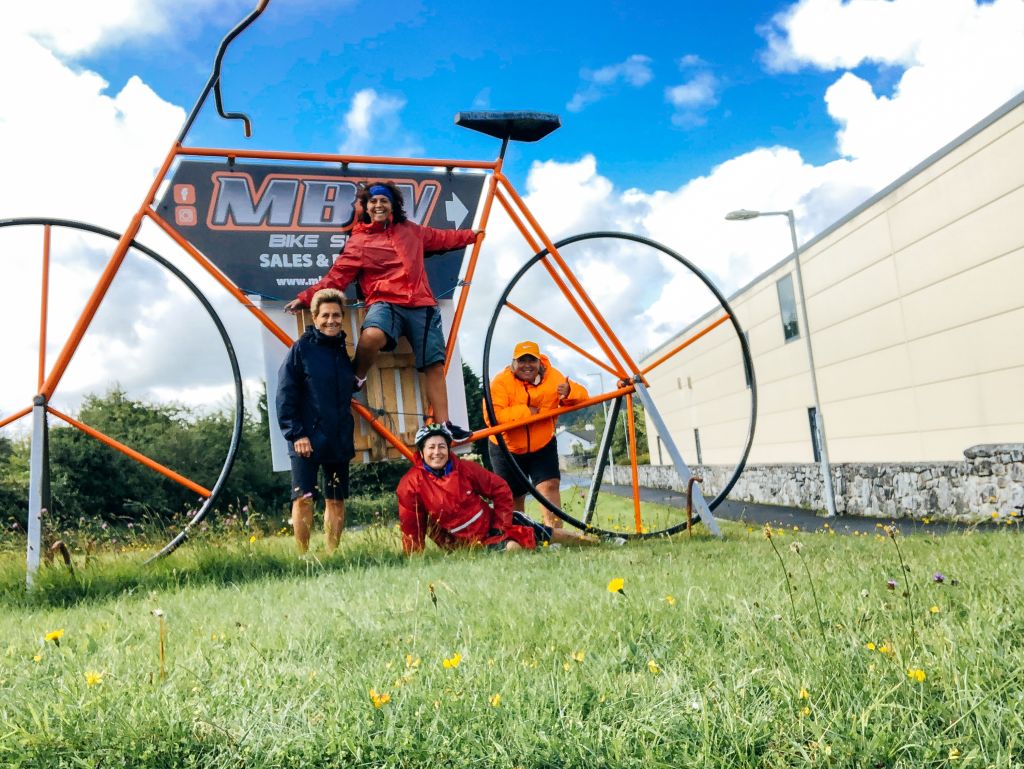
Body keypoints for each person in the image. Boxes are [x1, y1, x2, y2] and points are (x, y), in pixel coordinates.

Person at [283, 180, 482, 439]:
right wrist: (306, 297)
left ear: (392, 205)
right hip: (384, 301)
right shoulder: (360, 240)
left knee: (434, 364)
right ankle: (358, 376)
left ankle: (444, 424)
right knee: (372, 335)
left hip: (421, 304)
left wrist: (473, 235)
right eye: (373, 201)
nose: (378, 205)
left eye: (384, 201)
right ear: (366, 207)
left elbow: (444, 238)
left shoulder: (411, 231)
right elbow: (337, 277)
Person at [397, 424, 600, 554]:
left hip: (494, 523)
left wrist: (500, 523)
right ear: (421, 452)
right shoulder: (411, 484)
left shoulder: (465, 469)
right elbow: (412, 527)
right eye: (431, 447)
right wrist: (417, 557)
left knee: (552, 534)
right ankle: (546, 551)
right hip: (468, 543)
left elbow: (500, 489)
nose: (437, 452)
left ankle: (598, 542)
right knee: (513, 548)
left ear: (449, 449)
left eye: (442, 447)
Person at [276, 288, 355, 554]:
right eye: (325, 315)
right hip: (305, 439)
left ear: (342, 317)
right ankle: (304, 556)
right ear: (314, 317)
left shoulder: (342, 351)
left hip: (338, 437)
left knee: (336, 500)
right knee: (304, 499)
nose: (331, 320)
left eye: (336, 315)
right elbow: (285, 392)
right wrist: (296, 433)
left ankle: (332, 554)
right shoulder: (301, 348)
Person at [486, 341, 589, 528]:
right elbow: (493, 417)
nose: (527, 365)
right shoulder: (500, 382)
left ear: (540, 361)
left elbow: (584, 396)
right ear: (513, 363)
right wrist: (528, 412)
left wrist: (570, 392)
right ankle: (520, 536)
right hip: (507, 448)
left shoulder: (554, 377)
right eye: (521, 360)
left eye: (531, 360)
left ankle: (556, 537)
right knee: (513, 495)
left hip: (542, 444)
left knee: (549, 487)